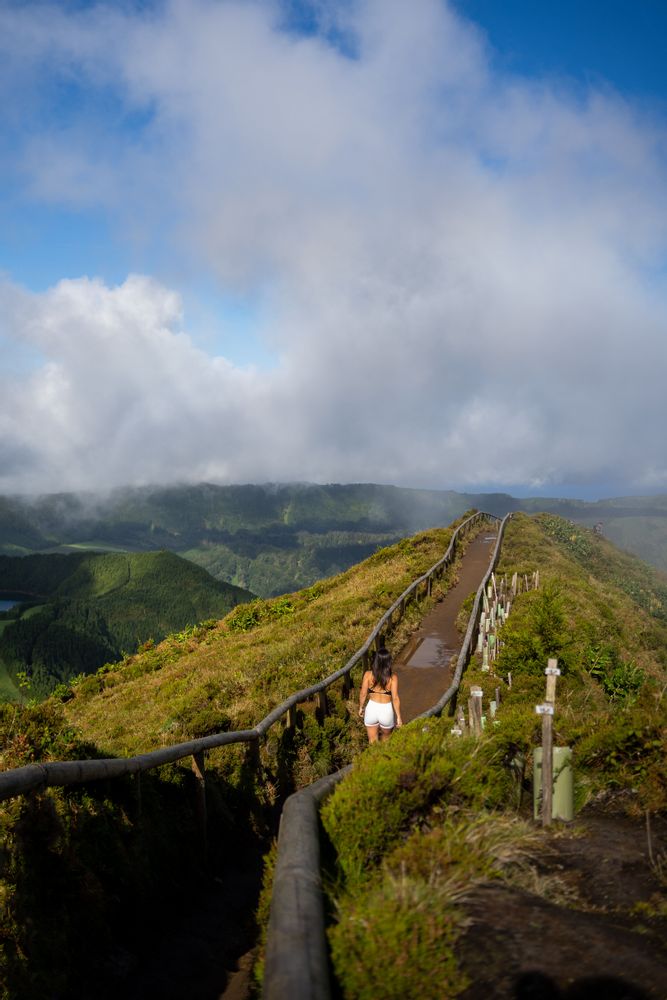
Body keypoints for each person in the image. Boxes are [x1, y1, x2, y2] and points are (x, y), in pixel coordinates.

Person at [358, 646, 402, 743]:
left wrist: (361, 707)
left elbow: (363, 693)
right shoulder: (393, 678)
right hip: (386, 710)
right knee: (386, 742)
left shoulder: (368, 674)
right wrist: (398, 717)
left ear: (376, 660)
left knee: (372, 742)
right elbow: (395, 698)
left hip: (371, 709)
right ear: (388, 662)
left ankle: (373, 758)